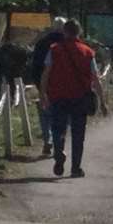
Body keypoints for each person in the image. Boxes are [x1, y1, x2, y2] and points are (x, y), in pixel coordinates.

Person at [41, 19, 103, 177]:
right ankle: (76, 168)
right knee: (78, 134)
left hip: (58, 96)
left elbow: (46, 74)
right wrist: (102, 102)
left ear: (64, 32)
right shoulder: (87, 52)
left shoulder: (54, 49)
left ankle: (59, 154)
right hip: (80, 97)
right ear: (79, 32)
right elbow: (95, 79)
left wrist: (43, 94)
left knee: (57, 129)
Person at [28, 17, 67, 157]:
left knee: (45, 112)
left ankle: (47, 139)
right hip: (62, 84)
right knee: (61, 115)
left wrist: (38, 84)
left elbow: (35, 66)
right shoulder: (66, 43)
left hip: (43, 83)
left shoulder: (42, 42)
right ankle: (59, 143)